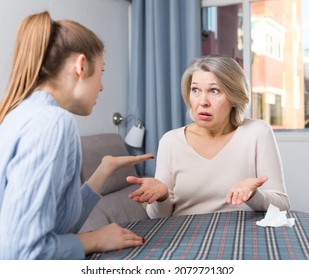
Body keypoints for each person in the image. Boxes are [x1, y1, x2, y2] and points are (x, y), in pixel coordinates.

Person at [0, 11, 154, 259]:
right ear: (81, 65)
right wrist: (93, 240)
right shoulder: (52, 123)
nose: (102, 85)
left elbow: (58, 225)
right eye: (101, 71)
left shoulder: (18, 116)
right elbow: (23, 252)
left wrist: (104, 169)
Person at [128, 54, 290, 219]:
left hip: (243, 235)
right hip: (187, 236)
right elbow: (158, 218)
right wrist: (161, 197)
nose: (202, 101)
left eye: (214, 91)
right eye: (195, 90)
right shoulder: (170, 142)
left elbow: (282, 205)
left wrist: (254, 195)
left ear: (234, 97)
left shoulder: (258, 132)